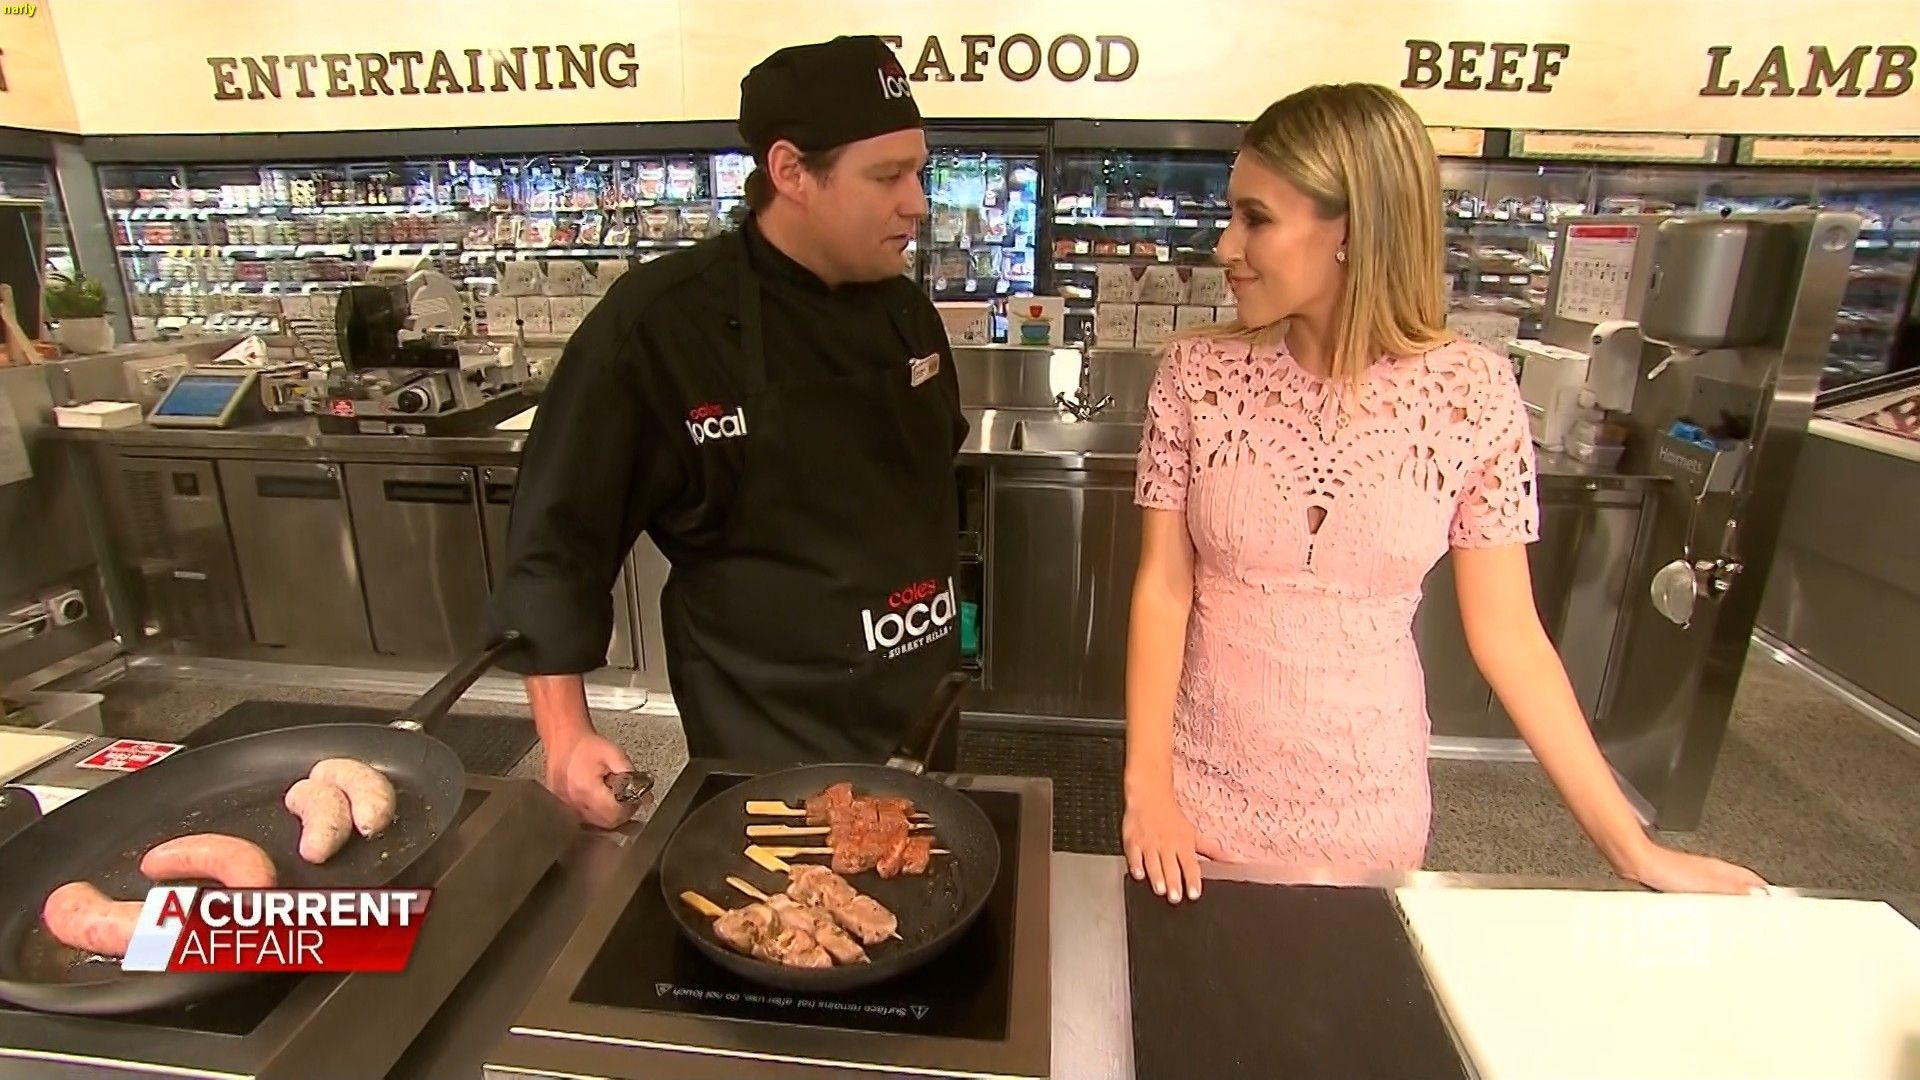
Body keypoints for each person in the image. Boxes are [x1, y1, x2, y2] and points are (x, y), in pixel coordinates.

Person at [1121, 83, 1765, 902]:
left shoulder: (1472, 395)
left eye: (1256, 219)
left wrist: (1632, 849)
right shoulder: (1196, 376)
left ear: (1350, 229)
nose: (1225, 246)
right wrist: (1148, 789)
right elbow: (1164, 587)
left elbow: (1512, 637)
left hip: (1370, 814)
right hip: (1199, 805)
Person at [487, 36, 967, 828]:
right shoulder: (664, 327)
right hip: (768, 735)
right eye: (887, 177)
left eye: (919, 171)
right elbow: (557, 539)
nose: (917, 202)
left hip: (920, 705)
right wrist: (565, 734)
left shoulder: (907, 313)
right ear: (791, 172)